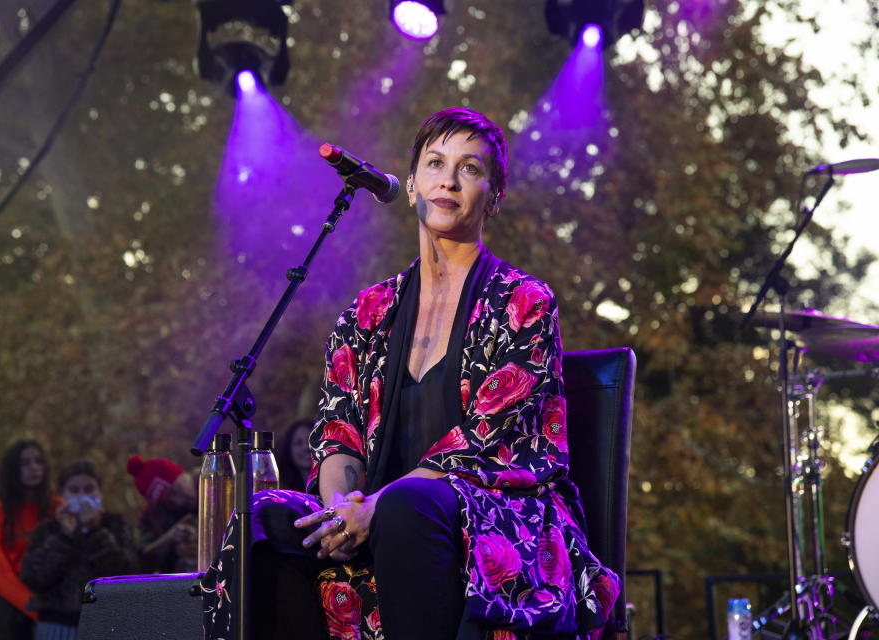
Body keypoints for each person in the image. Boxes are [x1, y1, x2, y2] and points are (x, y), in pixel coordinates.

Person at [202, 107, 621, 640]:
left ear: (494, 196)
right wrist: (340, 514)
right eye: (435, 163)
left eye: (470, 168)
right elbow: (337, 436)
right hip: (380, 513)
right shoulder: (367, 311)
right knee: (266, 519)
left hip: (495, 521)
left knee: (406, 506)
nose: (448, 179)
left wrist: (378, 506)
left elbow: (486, 441)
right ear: (411, 185)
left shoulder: (522, 302)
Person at [20, 460, 138, 640]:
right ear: (62, 494)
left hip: (107, 625)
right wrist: (63, 537)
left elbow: (127, 573)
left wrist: (94, 532)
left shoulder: (115, 525)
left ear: (100, 491)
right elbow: (33, 578)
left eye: (89, 489)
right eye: (74, 490)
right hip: (56, 626)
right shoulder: (48, 529)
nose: (82, 496)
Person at [0, 439, 61, 640]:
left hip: (51, 599)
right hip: (8, 602)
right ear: (13, 469)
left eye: (38, 461)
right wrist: (34, 608)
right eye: (25, 463)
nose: (34, 468)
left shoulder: (58, 507)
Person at [126, 455, 198, 573]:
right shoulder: (150, 518)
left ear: (181, 474)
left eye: (176, 489)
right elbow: (140, 562)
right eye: (167, 502)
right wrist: (170, 539)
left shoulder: (216, 479)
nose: (178, 500)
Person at [276, 419, 314, 492]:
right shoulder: (282, 490)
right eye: (299, 443)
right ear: (288, 449)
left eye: (311, 441)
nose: (306, 447)